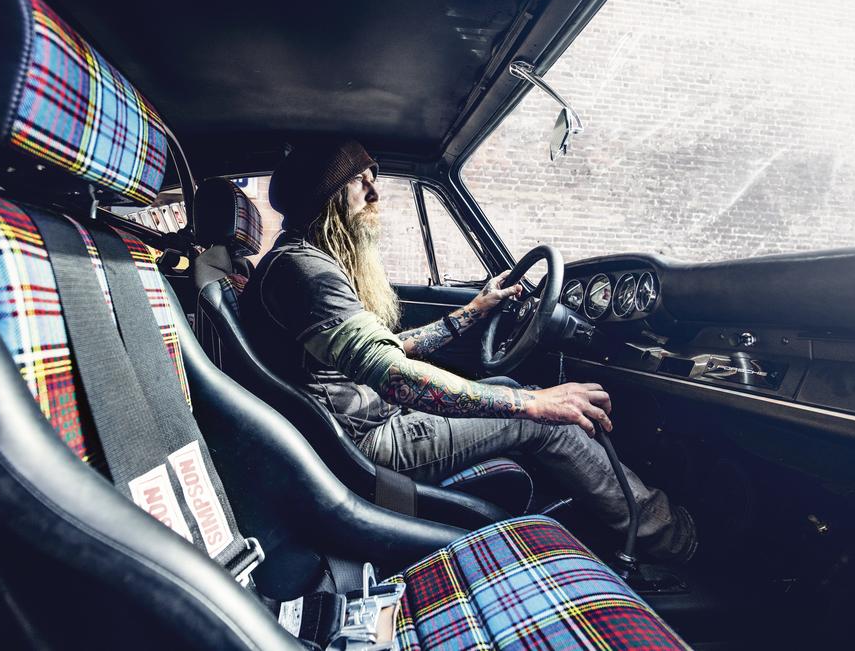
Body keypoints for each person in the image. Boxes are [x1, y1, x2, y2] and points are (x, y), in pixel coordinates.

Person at [240, 138, 696, 562]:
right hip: (368, 445)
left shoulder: (301, 262)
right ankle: (669, 538)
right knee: (546, 421)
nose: (375, 194)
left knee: (510, 386)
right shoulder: (307, 274)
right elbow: (394, 376)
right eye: (361, 181)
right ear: (328, 194)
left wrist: (473, 311)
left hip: (366, 423)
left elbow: (389, 351)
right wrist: (534, 405)